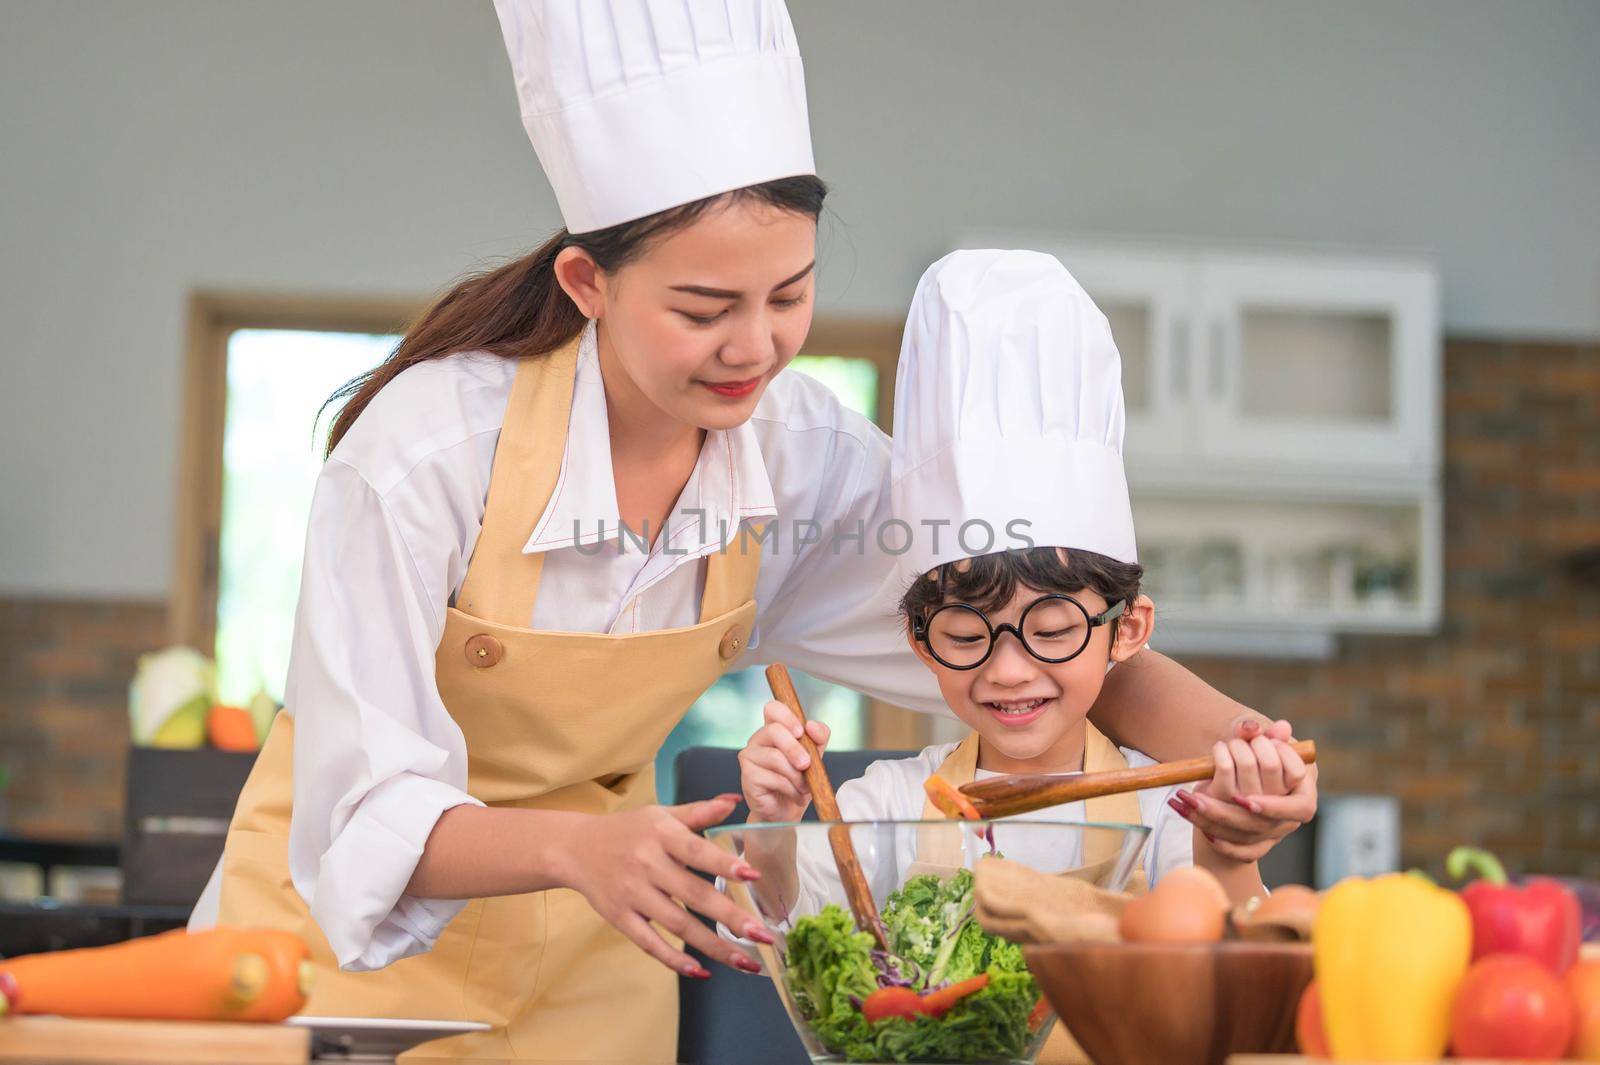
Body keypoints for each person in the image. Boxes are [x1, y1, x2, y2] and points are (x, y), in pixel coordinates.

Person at [195, 3, 1311, 1060]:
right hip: (330, 958)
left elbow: (1031, 630)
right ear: (588, 281)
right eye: (701, 310)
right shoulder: (427, 453)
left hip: (596, 961)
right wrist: (574, 846)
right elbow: (362, 808)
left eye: (789, 296)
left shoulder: (801, 456)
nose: (754, 349)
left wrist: (1247, 755)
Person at [738, 250, 1311, 927]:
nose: (1008, 670)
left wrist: (1228, 841)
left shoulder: (1168, 812)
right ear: (919, 642)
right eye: (964, 635)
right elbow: (771, 920)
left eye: (1053, 630)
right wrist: (772, 826)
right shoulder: (889, 803)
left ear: (1127, 629)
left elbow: (1233, 944)